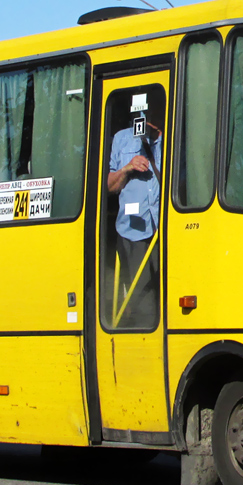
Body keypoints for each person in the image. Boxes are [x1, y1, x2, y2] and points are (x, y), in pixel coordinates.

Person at [106, 99, 163, 322]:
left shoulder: (177, 133)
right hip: (133, 230)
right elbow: (109, 187)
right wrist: (128, 167)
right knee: (143, 304)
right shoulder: (122, 138)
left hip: (169, 228)